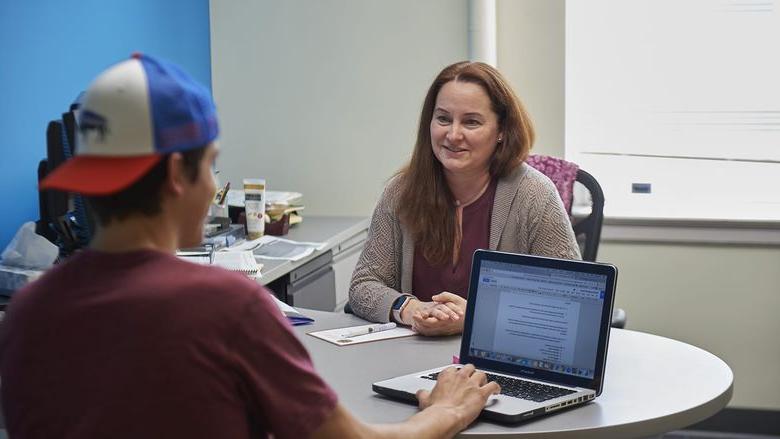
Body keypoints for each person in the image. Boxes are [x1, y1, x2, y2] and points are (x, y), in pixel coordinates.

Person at [0, 54, 499, 439]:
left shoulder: (27, 312)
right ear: (178, 174)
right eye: (212, 166)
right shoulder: (226, 306)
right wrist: (445, 411)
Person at [349, 61, 580, 336]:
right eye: (443, 119)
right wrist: (411, 309)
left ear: (502, 130)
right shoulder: (401, 192)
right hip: (410, 356)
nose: (453, 135)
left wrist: (476, 317)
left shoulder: (534, 194)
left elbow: (569, 299)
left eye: (471, 122)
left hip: (499, 358)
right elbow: (364, 284)